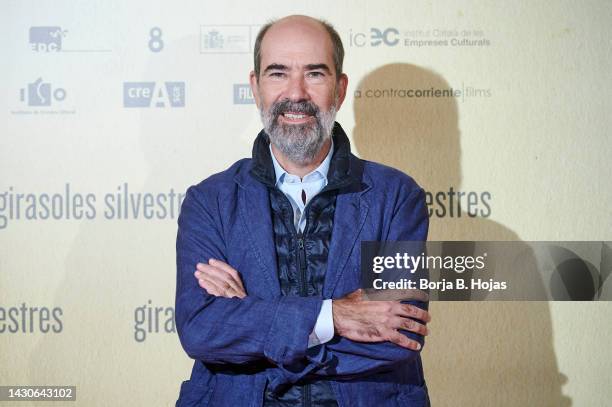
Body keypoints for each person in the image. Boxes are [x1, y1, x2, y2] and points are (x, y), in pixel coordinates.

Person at [175, 15, 431, 406]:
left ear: (340, 89)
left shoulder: (397, 196)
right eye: (277, 74)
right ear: (255, 88)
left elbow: (398, 336)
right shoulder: (209, 201)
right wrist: (333, 317)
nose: (296, 93)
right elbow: (201, 330)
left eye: (315, 73)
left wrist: (255, 322)